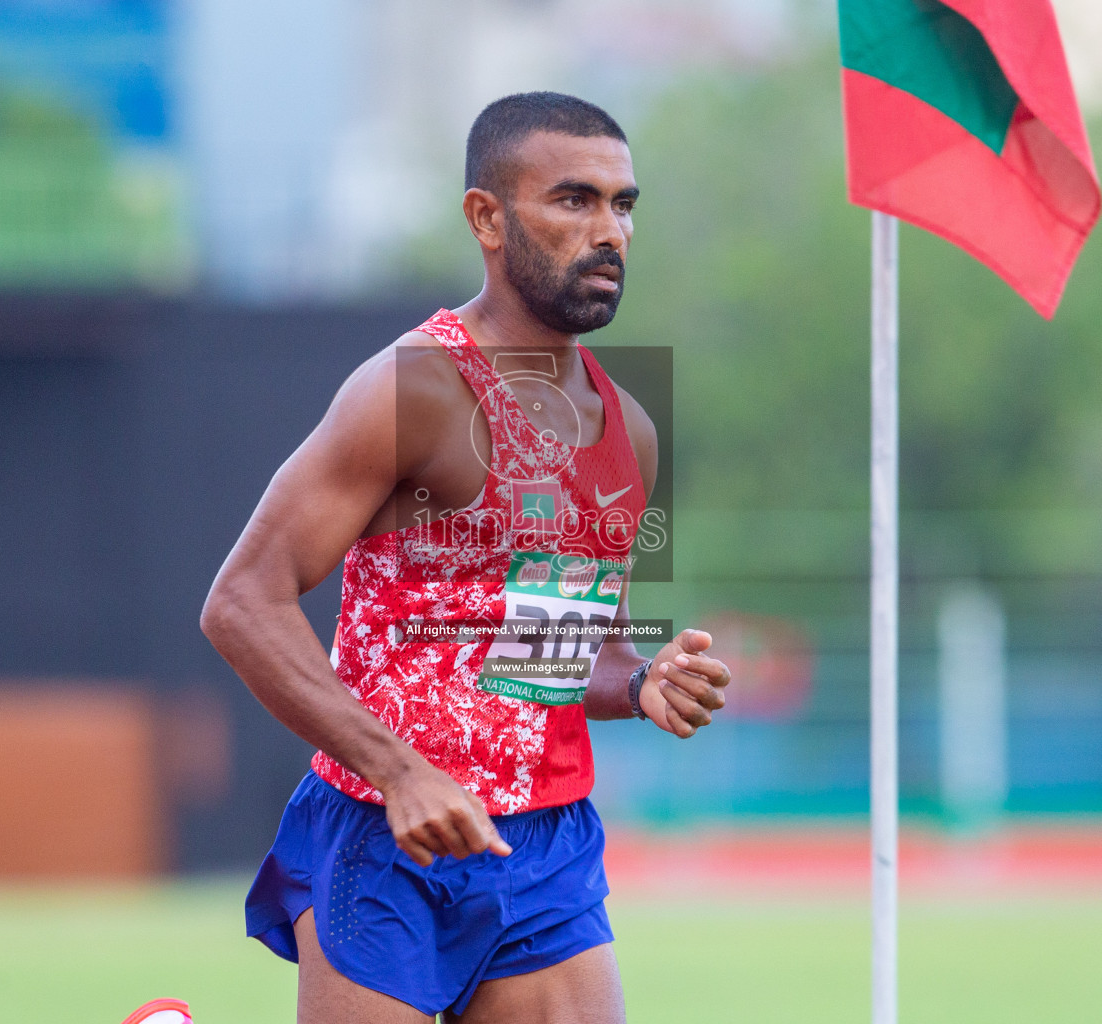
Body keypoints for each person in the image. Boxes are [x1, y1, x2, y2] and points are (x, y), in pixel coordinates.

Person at [202, 91, 732, 1024]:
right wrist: (397, 770)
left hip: (547, 848)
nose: (610, 230)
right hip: (384, 836)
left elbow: (547, 652)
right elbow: (243, 602)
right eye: (574, 200)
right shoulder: (412, 389)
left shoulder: (630, 429)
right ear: (486, 218)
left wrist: (638, 680)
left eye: (624, 204)